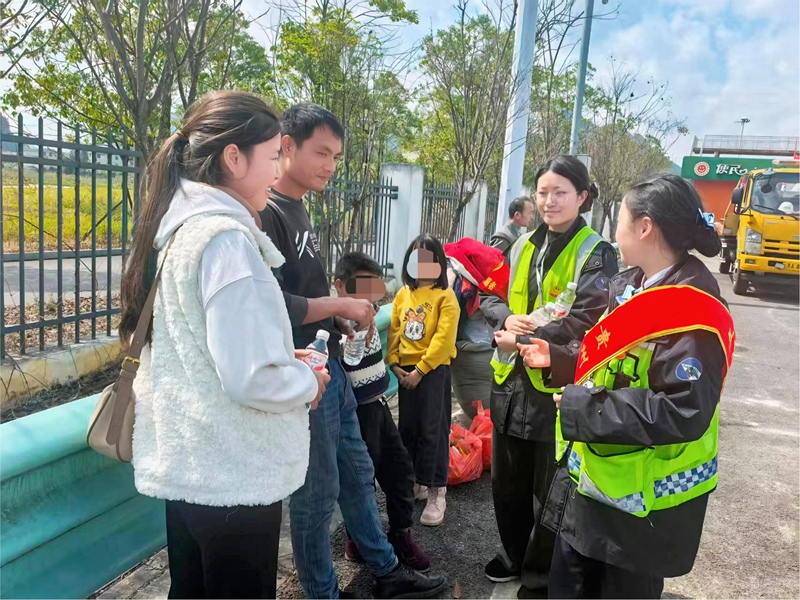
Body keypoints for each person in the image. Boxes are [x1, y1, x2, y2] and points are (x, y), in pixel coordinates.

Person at [119, 91, 329, 599]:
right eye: (273, 156)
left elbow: (205, 353)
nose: (278, 172)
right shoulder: (226, 242)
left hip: (192, 470)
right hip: (234, 478)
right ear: (234, 158)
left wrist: (281, 360)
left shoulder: (180, 233)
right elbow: (249, 378)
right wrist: (306, 379)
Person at [258, 103, 445, 600]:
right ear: (286, 145)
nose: (330, 166)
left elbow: (304, 295)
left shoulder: (299, 208)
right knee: (315, 496)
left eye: (336, 157)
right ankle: (323, 592)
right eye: (322, 152)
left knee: (360, 475)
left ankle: (385, 571)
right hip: (305, 378)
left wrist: (337, 316)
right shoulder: (268, 214)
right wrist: (338, 302)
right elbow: (270, 304)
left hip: (331, 367)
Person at [517, 174, 735, 599]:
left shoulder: (693, 312)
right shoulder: (629, 285)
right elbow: (611, 363)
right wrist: (559, 360)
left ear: (645, 227)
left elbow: (682, 410)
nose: (613, 229)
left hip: (643, 513)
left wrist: (582, 408)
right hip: (597, 489)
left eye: (618, 217)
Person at [481, 155, 618, 598]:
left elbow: (588, 319)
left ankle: (540, 576)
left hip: (555, 388)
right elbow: (488, 295)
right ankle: (513, 555)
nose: (549, 200)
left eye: (560, 192)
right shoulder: (519, 245)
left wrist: (522, 335)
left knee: (551, 491)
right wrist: (506, 318)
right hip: (510, 384)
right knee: (507, 484)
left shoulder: (597, 252)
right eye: (542, 192)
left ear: (582, 197)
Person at [334, 251, 431, 572]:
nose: (369, 299)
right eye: (361, 289)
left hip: (378, 406)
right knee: (360, 482)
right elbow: (348, 357)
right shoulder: (336, 325)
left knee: (401, 472)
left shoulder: (371, 314)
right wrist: (354, 324)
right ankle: (357, 539)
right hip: (354, 416)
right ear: (339, 287)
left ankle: (401, 535)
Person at [386, 235, 460, 527]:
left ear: (439, 263)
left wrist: (421, 370)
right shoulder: (404, 294)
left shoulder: (446, 296)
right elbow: (394, 329)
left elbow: (443, 340)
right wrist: (394, 363)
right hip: (405, 371)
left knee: (433, 430)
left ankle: (436, 491)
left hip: (433, 372)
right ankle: (415, 482)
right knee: (409, 428)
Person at [444, 238, 510, 424]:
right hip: (481, 350)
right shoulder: (496, 283)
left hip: (474, 351)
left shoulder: (454, 278)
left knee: (480, 412)